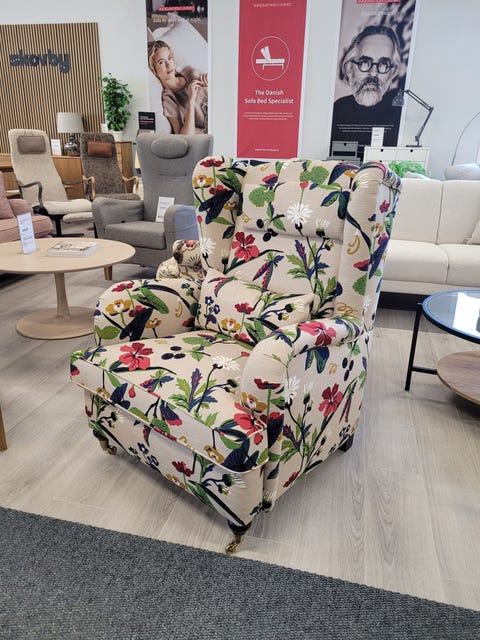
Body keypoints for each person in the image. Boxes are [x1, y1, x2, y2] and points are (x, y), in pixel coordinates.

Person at [330, 25, 402, 156]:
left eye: (383, 64)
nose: (373, 73)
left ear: (392, 72)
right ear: (349, 68)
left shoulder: (398, 112)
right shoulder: (339, 109)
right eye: (364, 62)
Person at [148, 40, 208, 135]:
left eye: (169, 58)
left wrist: (214, 81)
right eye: (161, 62)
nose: (168, 64)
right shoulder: (169, 100)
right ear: (153, 69)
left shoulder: (192, 73)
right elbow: (184, 137)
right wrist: (191, 100)